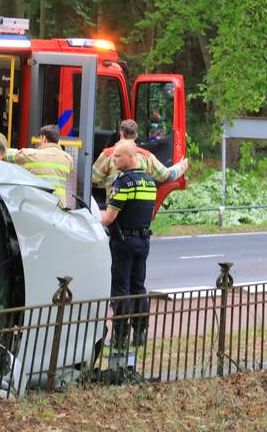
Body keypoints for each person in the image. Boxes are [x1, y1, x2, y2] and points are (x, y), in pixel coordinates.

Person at [100, 141, 156, 368]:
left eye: (117, 157)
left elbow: (109, 217)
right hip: (143, 240)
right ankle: (140, 334)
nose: (114, 161)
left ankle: (120, 336)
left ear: (130, 157)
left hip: (123, 241)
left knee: (120, 289)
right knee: (138, 287)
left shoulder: (124, 183)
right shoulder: (150, 182)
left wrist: (97, 216)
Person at [0, 124, 74, 206]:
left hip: (41, 205)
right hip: (60, 206)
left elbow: (5, 153)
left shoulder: (33, 155)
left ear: (44, 138)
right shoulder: (68, 159)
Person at [92, 120, 189, 200]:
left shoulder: (107, 155)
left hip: (113, 212)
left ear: (121, 134)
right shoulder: (146, 156)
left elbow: (93, 180)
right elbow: (167, 176)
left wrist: (109, 182)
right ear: (136, 136)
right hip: (138, 213)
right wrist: (182, 166)